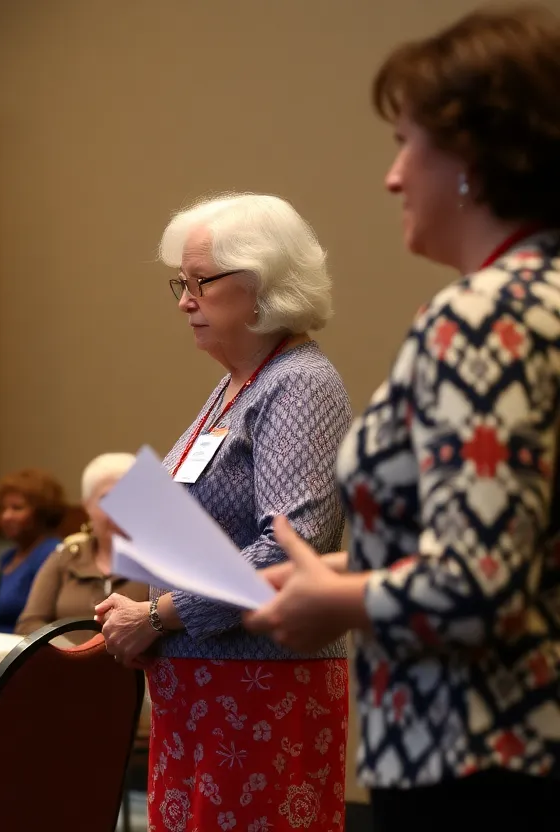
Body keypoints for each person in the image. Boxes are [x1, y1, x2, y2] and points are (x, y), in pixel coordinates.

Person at [244, 8, 560, 830]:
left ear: (474, 158)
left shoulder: (486, 316)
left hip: (477, 758)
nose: (392, 177)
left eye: (406, 142)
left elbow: (474, 584)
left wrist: (335, 604)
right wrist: (348, 576)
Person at [96, 193, 352, 832]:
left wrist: (155, 614)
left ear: (265, 283)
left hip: (263, 687)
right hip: (202, 689)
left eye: (201, 282)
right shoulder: (236, 383)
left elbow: (294, 545)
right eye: (180, 284)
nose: (185, 300)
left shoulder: (300, 384)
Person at [14, 454, 148, 638]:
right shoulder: (67, 556)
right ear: (87, 506)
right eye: (107, 499)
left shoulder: (162, 562)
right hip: (65, 664)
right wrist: (74, 656)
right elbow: (28, 624)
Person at [0, 468, 67, 633]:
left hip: (24, 653)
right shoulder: (8, 557)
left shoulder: (52, 554)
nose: (6, 516)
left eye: (16, 508)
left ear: (42, 513)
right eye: (3, 509)